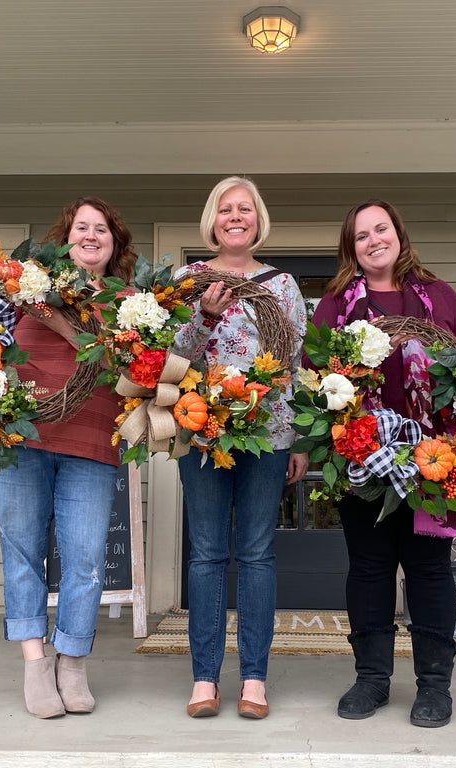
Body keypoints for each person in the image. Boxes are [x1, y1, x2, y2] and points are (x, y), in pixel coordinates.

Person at [310, 200, 456, 728]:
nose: (373, 240)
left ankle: (434, 685)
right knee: (371, 569)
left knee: (429, 570)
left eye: (382, 229)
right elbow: (318, 377)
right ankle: (372, 679)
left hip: (434, 457)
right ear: (350, 248)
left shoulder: (439, 297)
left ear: (399, 234)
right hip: (364, 456)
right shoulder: (337, 304)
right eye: (361, 235)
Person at [0, 197, 137, 718]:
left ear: (114, 244)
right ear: (65, 236)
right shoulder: (27, 286)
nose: (92, 235)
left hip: (92, 444)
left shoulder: (131, 303)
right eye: (82, 227)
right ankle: (34, 661)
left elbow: (143, 369)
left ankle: (72, 661)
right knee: (23, 551)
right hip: (20, 439)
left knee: (85, 560)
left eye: (102, 229)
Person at [172, 176, 308, 719]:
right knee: (206, 553)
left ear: (258, 219)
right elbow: (169, 356)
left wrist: (298, 438)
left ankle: (254, 678)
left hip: (268, 432)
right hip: (201, 430)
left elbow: (296, 366)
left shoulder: (283, 285)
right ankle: (204, 679)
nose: (235, 217)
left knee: (256, 553)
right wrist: (202, 315)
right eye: (225, 209)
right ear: (212, 219)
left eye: (244, 209)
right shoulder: (186, 280)